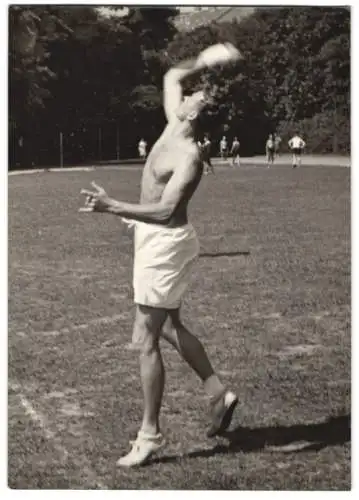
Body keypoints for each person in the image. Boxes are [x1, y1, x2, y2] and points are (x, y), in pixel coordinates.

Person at [80, 43, 242, 468]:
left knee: (145, 338)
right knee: (169, 324)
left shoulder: (188, 155)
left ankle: (149, 435)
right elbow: (173, 76)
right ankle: (216, 392)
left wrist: (112, 206)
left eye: (194, 97)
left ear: (191, 113)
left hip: (164, 242)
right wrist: (206, 59)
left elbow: (167, 210)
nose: (186, 95)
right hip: (157, 240)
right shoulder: (177, 123)